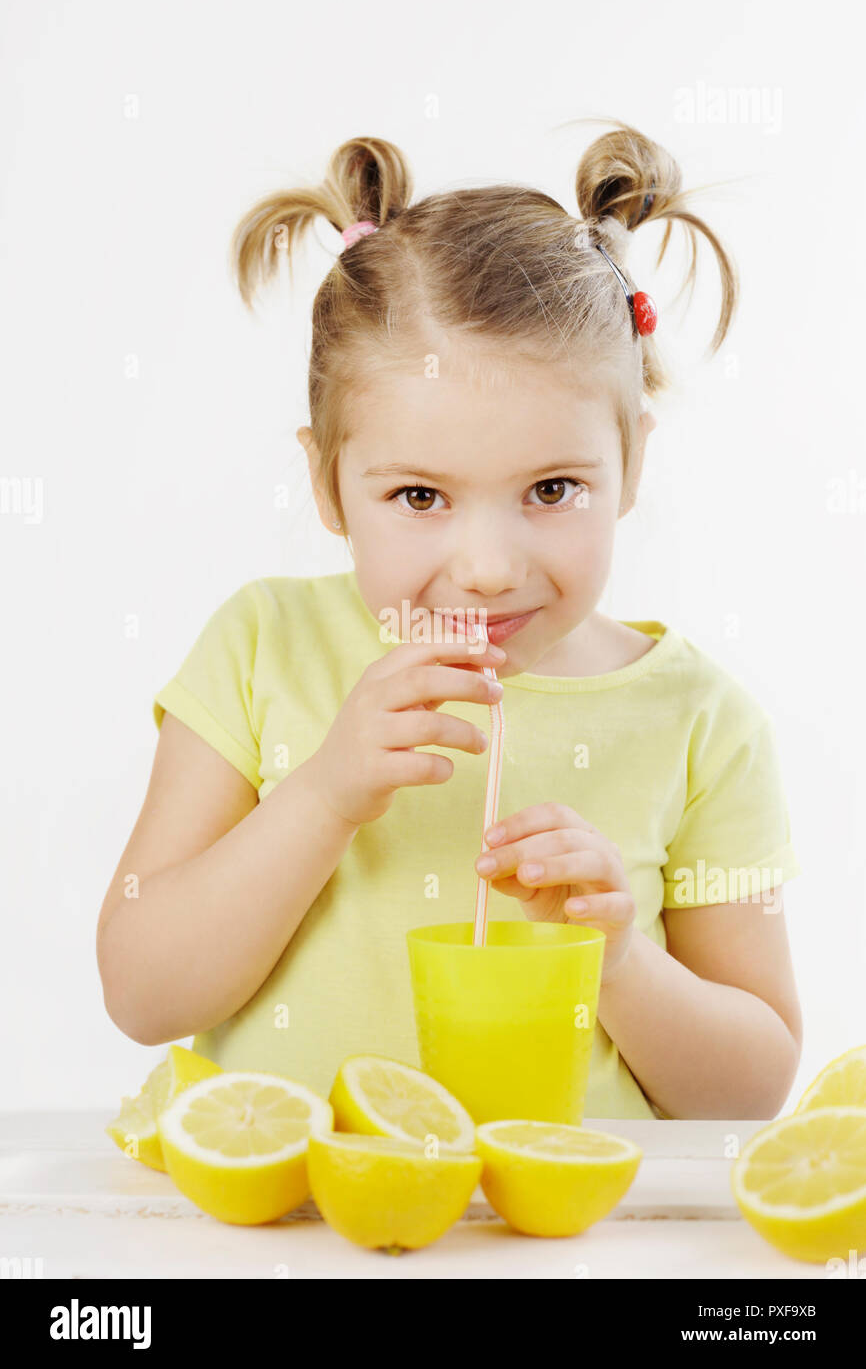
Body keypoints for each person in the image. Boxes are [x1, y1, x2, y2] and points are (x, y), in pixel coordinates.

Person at [97, 121, 803, 1120]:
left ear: (631, 464)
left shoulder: (698, 722)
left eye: (551, 488)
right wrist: (322, 795)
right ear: (328, 484)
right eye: (421, 497)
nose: (485, 569)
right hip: (299, 1238)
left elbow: (748, 1087)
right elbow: (140, 989)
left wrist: (618, 961)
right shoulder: (262, 647)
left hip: (568, 1254)